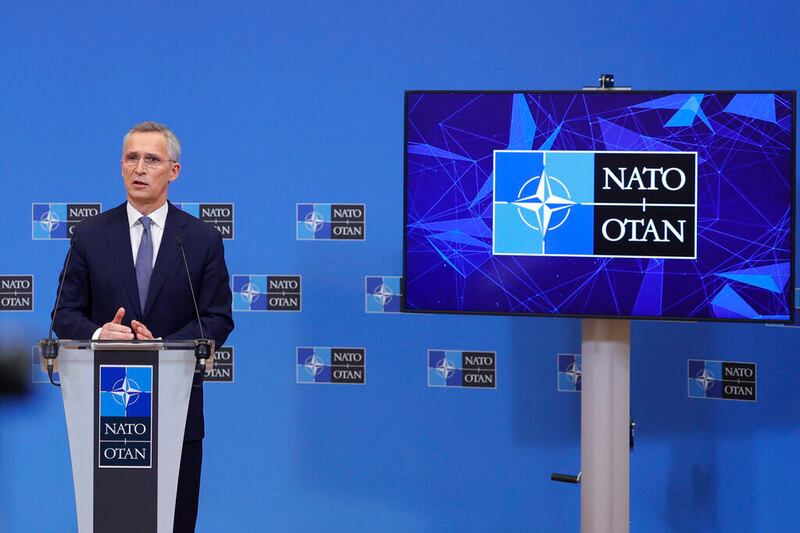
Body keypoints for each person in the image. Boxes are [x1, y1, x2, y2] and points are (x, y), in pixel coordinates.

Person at [53, 121, 234, 532]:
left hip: (176, 408)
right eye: (131, 158)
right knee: (114, 519)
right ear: (120, 167)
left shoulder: (201, 239)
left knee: (175, 520)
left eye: (152, 159)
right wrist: (100, 334)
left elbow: (218, 317)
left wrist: (165, 348)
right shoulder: (90, 235)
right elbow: (63, 314)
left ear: (173, 171)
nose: (140, 168)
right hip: (107, 412)